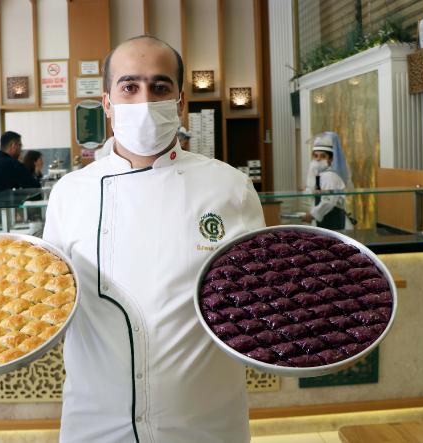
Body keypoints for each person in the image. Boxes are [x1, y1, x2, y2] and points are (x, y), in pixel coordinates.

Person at [43, 35, 265, 443]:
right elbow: (50, 300)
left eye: (159, 87)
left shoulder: (230, 187)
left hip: (206, 422)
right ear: (107, 104)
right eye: (129, 87)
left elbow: (258, 296)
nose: (144, 99)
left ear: (181, 102)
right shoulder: (70, 193)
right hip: (97, 421)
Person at [302, 131, 352, 230]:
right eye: (315, 156)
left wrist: (312, 215)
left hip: (332, 221)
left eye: (323, 156)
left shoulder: (331, 176)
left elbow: (328, 201)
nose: (318, 159)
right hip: (324, 221)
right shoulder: (320, 174)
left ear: (330, 159)